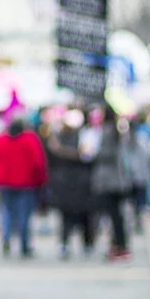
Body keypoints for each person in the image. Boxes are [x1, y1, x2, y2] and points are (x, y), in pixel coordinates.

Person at [0, 116, 48, 257]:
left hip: (5, 182)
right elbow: (38, 162)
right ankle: (24, 245)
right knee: (24, 214)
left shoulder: (0, 139)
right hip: (26, 183)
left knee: (7, 212)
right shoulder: (30, 139)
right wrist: (41, 180)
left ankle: (6, 238)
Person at [45, 110, 95, 258]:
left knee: (77, 216)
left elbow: (86, 156)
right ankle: (75, 243)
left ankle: (78, 243)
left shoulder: (80, 137)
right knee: (73, 216)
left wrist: (61, 150)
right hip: (71, 183)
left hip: (75, 183)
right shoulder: (65, 137)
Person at [91, 106, 132, 261]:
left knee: (112, 215)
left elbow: (106, 153)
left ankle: (119, 245)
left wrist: (93, 153)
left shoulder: (107, 131)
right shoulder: (116, 130)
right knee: (117, 215)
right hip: (117, 180)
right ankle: (120, 244)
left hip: (109, 181)